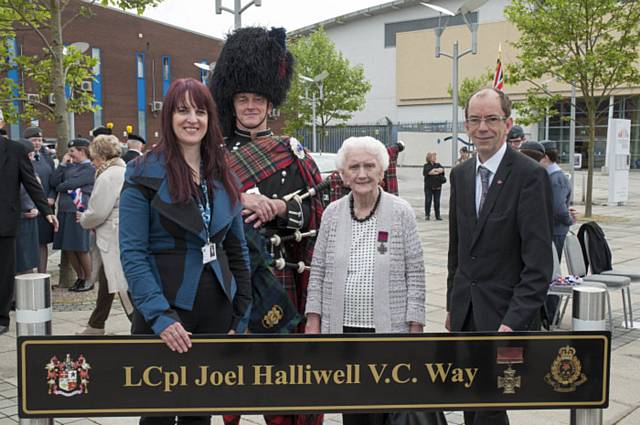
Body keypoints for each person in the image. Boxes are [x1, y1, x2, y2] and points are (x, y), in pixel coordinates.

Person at [119, 78, 252, 425]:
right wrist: (160, 317)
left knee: (199, 415)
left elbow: (237, 249)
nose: (192, 119)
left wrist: (241, 312)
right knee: (157, 416)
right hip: (164, 312)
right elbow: (133, 253)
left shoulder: (224, 175)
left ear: (210, 118)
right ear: (169, 117)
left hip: (216, 313)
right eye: (182, 110)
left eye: (200, 110)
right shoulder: (141, 173)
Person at [209, 26, 324, 425]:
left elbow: (319, 215)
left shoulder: (292, 152)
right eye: (243, 98)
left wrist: (279, 209)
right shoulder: (213, 157)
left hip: (282, 280)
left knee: (286, 383)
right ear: (232, 101)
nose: (251, 105)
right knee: (232, 381)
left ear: (269, 101)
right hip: (229, 281)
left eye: (258, 98)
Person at [305, 136, 433, 425]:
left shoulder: (401, 211)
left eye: (369, 166)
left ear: (381, 171)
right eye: (354, 167)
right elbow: (319, 269)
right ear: (343, 174)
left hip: (387, 330)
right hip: (343, 329)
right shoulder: (332, 214)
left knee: (387, 406)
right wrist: (313, 320)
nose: (362, 174)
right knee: (353, 408)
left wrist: (416, 323)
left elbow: (415, 270)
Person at [446, 88, 553, 425]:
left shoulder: (530, 176)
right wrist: (453, 305)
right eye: (475, 120)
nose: (482, 127)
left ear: (508, 123)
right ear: (466, 125)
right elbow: (457, 249)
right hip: (466, 315)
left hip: (505, 318)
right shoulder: (460, 175)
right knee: (470, 403)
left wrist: (513, 321)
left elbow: (538, 266)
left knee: (490, 408)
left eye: (491, 119)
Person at [0, 116, 58, 335]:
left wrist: (47, 211)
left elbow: (30, 182)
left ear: (1, 124)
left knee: (4, 271)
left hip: (5, 220)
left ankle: (2, 317)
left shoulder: (14, 150)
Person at [76, 135, 133, 335]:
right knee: (107, 280)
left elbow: (99, 211)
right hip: (119, 232)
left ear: (101, 155)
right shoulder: (123, 170)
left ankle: (140, 325)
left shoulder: (108, 175)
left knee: (121, 283)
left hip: (112, 235)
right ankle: (96, 324)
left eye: (94, 157)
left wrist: (84, 218)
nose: (93, 162)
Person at [51, 138, 96, 292]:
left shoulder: (89, 168)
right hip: (64, 210)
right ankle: (80, 277)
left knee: (81, 247)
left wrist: (61, 186)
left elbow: (68, 184)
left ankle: (89, 279)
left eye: (72, 151)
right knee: (68, 247)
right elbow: (54, 182)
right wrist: (62, 165)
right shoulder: (68, 167)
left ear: (82, 151)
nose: (69, 154)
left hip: (79, 210)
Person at [24, 127, 56, 273]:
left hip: (45, 208)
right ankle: (27, 274)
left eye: (39, 140)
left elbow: (53, 180)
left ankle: (42, 274)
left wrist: (52, 196)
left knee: (42, 242)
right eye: (33, 140)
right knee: (28, 242)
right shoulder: (22, 158)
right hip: (28, 207)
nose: (37, 143)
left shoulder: (47, 158)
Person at [15, 139, 41, 274]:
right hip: (14, 220)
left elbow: (38, 194)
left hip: (29, 220)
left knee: (28, 261)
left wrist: (36, 208)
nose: (31, 158)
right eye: (29, 155)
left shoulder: (32, 171)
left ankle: (26, 293)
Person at [422, 152, 445, 220]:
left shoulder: (438, 164)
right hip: (429, 187)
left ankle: (437, 215)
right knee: (428, 200)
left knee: (437, 201)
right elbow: (428, 172)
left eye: (435, 156)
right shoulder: (426, 165)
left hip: (438, 186)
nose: (435, 158)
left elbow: (442, 170)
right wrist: (435, 171)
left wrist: (435, 170)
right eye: (433, 156)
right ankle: (427, 214)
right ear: (429, 158)